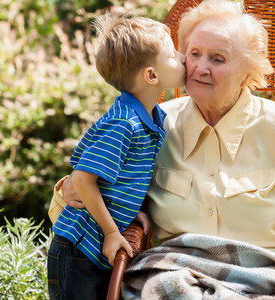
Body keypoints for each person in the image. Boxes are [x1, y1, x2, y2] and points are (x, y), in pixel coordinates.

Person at [51, 0, 275, 299]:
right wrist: (68, 192)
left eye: (218, 58)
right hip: (174, 273)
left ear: (248, 71)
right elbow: (89, 196)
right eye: (194, 54)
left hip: (270, 277)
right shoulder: (152, 127)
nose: (200, 67)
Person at [47, 12, 185, 300]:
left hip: (95, 244)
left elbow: (118, 176)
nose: (183, 58)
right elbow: (84, 181)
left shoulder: (150, 115)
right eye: (173, 55)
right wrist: (111, 232)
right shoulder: (124, 124)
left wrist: (127, 207)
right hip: (79, 249)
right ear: (152, 76)